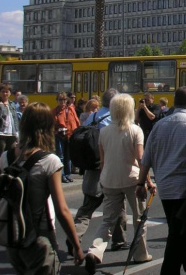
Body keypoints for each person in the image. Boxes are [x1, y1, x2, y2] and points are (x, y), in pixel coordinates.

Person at [136, 87, 186, 275]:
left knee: (179, 229)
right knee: (179, 233)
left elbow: (146, 159)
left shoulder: (159, 126)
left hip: (166, 189)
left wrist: (141, 184)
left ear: (174, 103)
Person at [0, 102, 84, 274]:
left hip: (14, 238)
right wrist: (76, 245)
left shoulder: (5, 157)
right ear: (47, 127)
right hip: (39, 237)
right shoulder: (49, 161)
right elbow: (62, 210)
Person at [84, 94, 154, 274]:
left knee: (107, 219)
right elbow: (140, 158)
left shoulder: (104, 131)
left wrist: (103, 178)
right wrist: (147, 181)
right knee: (139, 218)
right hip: (132, 179)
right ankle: (140, 254)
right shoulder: (135, 130)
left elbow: (103, 160)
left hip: (109, 179)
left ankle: (95, 251)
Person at [69, 88, 127, 257]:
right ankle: (119, 240)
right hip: (110, 167)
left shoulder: (92, 117)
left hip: (92, 169)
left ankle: (75, 235)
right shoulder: (114, 120)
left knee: (87, 206)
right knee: (117, 203)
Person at [53, 91, 79, 183]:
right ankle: (62, 175)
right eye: (60, 100)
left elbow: (76, 121)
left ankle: (68, 175)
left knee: (68, 156)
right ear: (57, 100)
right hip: (59, 136)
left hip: (69, 135)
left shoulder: (70, 110)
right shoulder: (55, 111)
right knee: (60, 156)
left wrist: (77, 132)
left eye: (64, 100)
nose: (62, 102)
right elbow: (52, 124)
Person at [0, 82, 19, 175]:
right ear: (0, 93)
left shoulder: (12, 104)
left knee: (12, 154)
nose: (5, 94)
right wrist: (1, 107)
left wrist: (16, 132)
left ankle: (9, 174)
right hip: (0, 133)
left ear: (10, 93)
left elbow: (15, 119)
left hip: (11, 134)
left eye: (7, 92)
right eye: (3, 91)